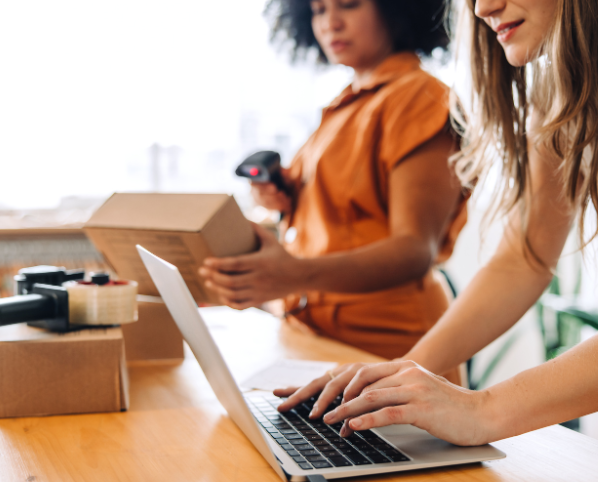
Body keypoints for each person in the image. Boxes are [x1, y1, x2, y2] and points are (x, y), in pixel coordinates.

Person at [275, 0, 598, 482]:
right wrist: (401, 377)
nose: (484, 8)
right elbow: (524, 258)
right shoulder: (560, 91)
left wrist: (483, 411)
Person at [198, 0, 470, 365]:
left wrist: (292, 275)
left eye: (349, 5)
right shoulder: (342, 107)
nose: (330, 23)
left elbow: (414, 250)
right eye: (319, 10)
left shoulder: (421, 99)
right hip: (311, 335)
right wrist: (287, 200)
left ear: (397, 10)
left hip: (388, 349)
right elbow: (342, 215)